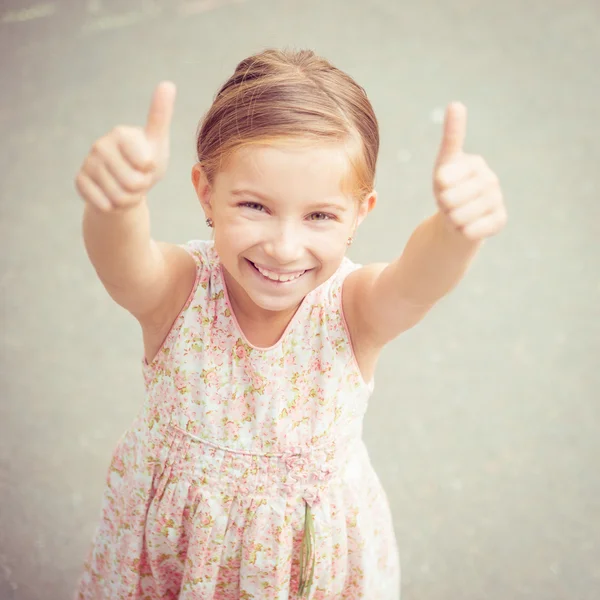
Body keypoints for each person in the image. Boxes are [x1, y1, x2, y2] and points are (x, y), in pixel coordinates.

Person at [74, 48, 506, 599]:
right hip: (177, 561)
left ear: (360, 215)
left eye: (320, 215)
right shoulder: (180, 292)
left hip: (307, 570)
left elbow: (418, 280)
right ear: (206, 192)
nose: (283, 247)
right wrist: (117, 204)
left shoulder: (355, 309)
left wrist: (456, 230)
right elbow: (124, 262)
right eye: (254, 206)